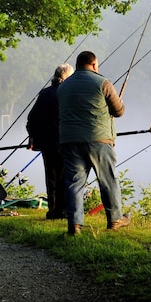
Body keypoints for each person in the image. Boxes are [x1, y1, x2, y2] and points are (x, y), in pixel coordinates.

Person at [57, 50, 130, 235]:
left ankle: (74, 224)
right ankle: (115, 219)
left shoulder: (63, 87)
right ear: (94, 64)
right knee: (107, 180)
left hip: (69, 140)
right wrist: (120, 103)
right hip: (99, 140)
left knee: (74, 183)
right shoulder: (103, 83)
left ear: (78, 65)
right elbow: (118, 111)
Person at [26, 63, 74, 220]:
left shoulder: (45, 93)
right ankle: (61, 211)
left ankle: (52, 210)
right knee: (63, 178)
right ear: (67, 78)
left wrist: (32, 137)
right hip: (63, 142)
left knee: (51, 177)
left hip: (46, 144)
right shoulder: (66, 93)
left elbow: (31, 118)